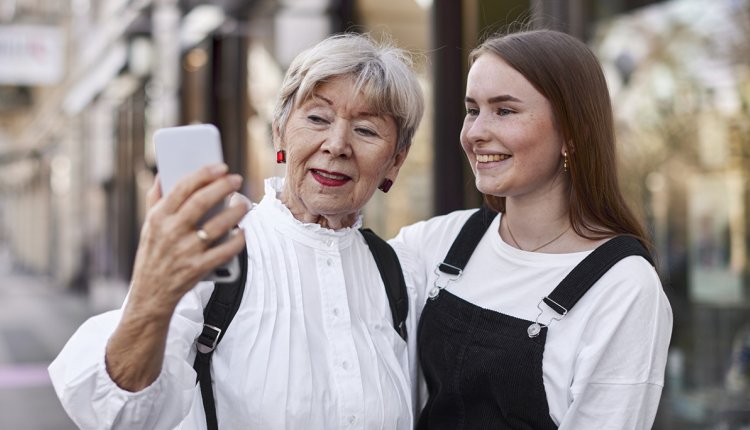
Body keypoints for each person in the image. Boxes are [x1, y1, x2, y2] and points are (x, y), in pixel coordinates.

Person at [49, 33, 424, 429]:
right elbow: (121, 415)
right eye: (317, 118)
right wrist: (152, 292)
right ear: (279, 132)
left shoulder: (402, 276)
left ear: (396, 161)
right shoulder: (217, 250)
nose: (336, 145)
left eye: (366, 130)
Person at [389, 29, 673, 429]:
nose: (475, 133)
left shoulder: (623, 287)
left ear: (573, 134)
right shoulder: (440, 242)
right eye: (473, 110)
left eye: (504, 111)